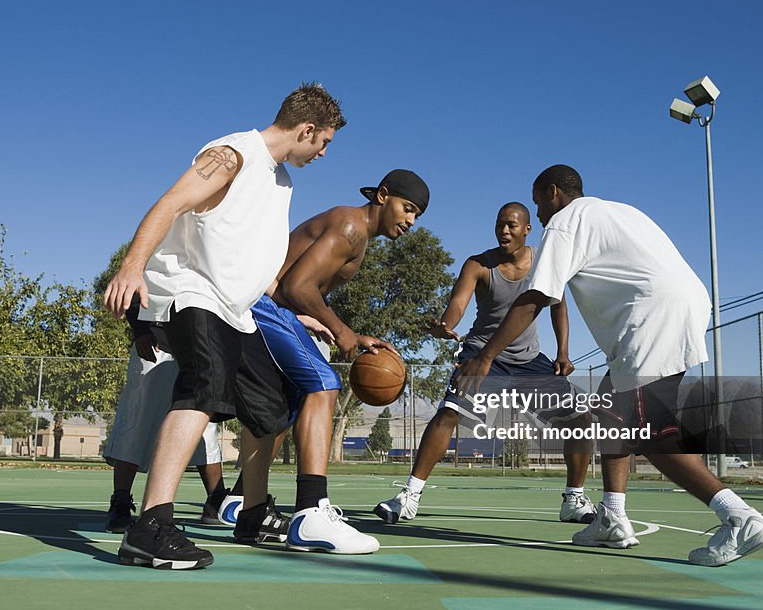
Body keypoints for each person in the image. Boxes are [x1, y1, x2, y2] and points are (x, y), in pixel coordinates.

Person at [455, 164, 763, 566]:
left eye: (538, 203)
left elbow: (536, 296)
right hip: (681, 304)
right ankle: (612, 518)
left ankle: (739, 516)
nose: (538, 215)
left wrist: (486, 356)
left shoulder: (565, 222)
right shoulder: (619, 211)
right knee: (609, 413)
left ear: (553, 192)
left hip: (651, 316)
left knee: (652, 434)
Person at [103, 83, 346, 570]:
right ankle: (149, 525)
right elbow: (169, 203)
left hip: (236, 307)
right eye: (324, 143)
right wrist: (132, 266)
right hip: (191, 291)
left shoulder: (280, 182)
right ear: (307, 130)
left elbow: (252, 261)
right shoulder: (232, 155)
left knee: (270, 405)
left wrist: (292, 312)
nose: (323, 153)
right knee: (205, 387)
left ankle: (253, 512)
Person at [239, 168, 430, 553]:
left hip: (263, 303)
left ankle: (248, 511)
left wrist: (339, 328)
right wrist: (343, 333)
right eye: (407, 209)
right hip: (261, 304)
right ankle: (310, 513)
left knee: (281, 408)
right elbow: (297, 286)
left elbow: (297, 283)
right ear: (382, 196)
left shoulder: (355, 230)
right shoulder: (350, 227)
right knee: (323, 383)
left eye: (417, 216)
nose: (410, 221)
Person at [374, 202, 596, 525]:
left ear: (527, 230)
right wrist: (446, 325)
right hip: (481, 355)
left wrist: (563, 352)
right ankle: (409, 496)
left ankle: (573, 500)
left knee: (580, 417)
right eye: (499, 224)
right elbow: (458, 303)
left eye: (512, 225)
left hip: (528, 360)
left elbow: (558, 306)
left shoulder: (544, 262)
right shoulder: (478, 265)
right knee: (450, 413)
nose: (504, 230)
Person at [101, 295, 228, 533]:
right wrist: (140, 331)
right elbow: (137, 285)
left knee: (203, 422)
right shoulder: (155, 257)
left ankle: (216, 499)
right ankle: (120, 501)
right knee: (137, 420)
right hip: (156, 341)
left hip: (197, 342)